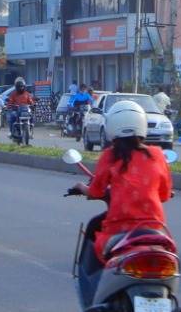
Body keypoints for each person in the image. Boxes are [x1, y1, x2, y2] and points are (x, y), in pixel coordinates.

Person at [70, 101, 173, 264]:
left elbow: (96, 191)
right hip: (154, 228)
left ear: (111, 127)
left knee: (95, 236)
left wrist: (81, 187)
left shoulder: (109, 156)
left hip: (118, 228)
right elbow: (164, 195)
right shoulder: (157, 155)